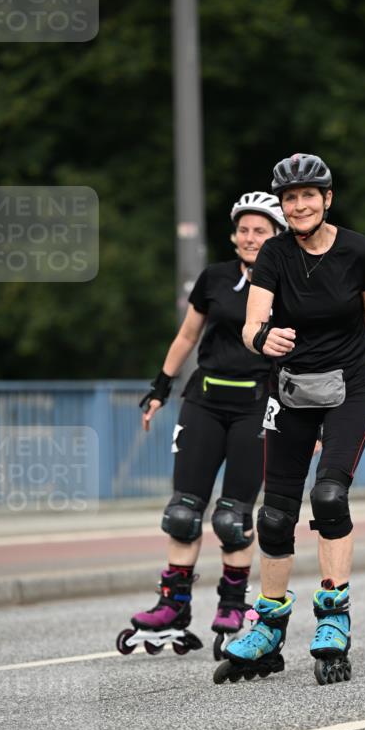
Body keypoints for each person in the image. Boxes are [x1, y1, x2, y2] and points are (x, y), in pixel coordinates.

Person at [213, 154, 365, 686]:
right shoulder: (274, 253)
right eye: (289, 198)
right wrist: (262, 339)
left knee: (328, 497)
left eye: (308, 196)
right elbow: (253, 323)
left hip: (351, 385)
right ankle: (268, 626)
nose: (298, 205)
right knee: (274, 515)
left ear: (327, 199)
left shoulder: (357, 251)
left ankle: (333, 618)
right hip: (292, 388)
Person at [116, 192, 286, 660]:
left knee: (233, 516)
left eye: (261, 231)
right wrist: (159, 389)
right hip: (204, 400)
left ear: (277, 237)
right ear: (234, 234)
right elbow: (188, 335)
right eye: (245, 230)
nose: (251, 238)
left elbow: (299, 353)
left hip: (257, 405)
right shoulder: (214, 279)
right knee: (183, 511)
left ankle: (233, 605)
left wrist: (301, 418)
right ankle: (172, 605)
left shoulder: (286, 284)